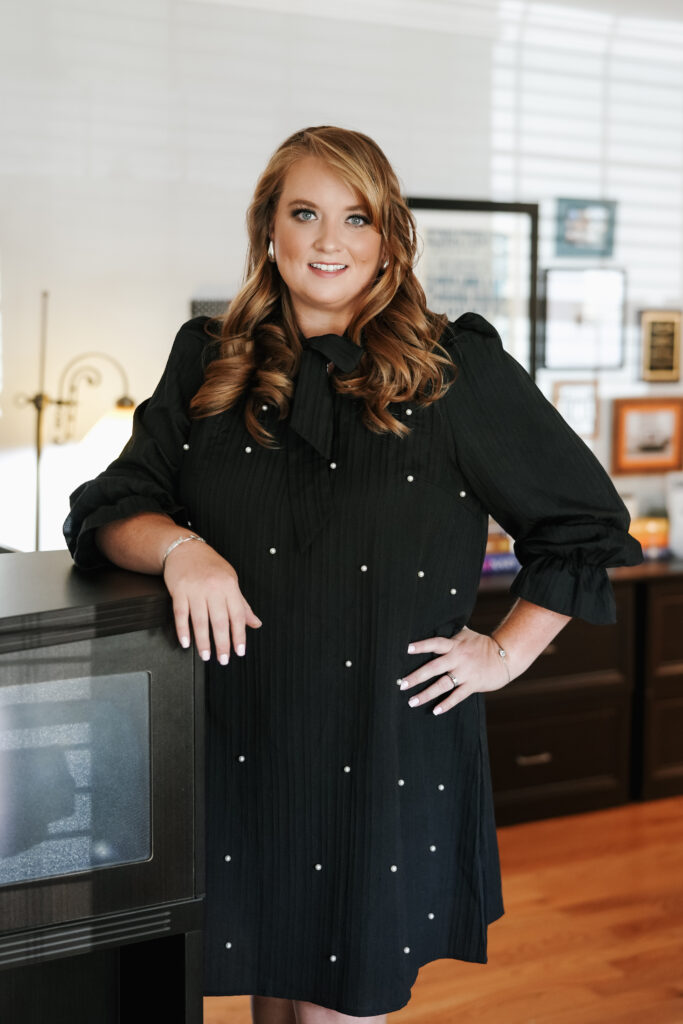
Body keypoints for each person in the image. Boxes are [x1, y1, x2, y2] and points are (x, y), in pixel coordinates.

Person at [64, 125, 643, 1024]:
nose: (329, 241)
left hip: (384, 748)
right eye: (305, 213)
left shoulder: (455, 369)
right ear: (269, 229)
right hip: (240, 738)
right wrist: (186, 550)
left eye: (356, 217)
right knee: (270, 990)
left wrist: (502, 653)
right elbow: (110, 509)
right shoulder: (206, 357)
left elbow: (583, 524)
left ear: (387, 238)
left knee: (341, 1003)